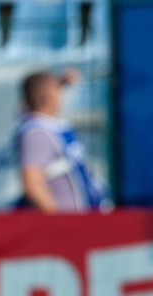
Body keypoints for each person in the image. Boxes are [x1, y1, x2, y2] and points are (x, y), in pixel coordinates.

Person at [16, 69, 110, 213]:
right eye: (57, 91)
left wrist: (60, 81)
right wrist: (58, 222)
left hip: (80, 221)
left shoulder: (46, 124)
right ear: (49, 97)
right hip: (64, 228)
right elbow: (32, 183)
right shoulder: (37, 133)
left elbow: (37, 92)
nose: (61, 96)